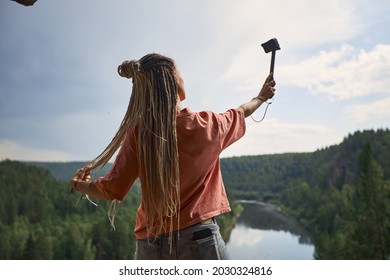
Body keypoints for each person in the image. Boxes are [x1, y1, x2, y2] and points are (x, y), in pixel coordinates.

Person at [70, 53, 276, 260]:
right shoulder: (206, 126)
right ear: (175, 80)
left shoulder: (138, 134)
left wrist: (79, 185)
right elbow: (241, 111)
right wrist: (261, 97)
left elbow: (112, 189)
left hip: (151, 245)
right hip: (200, 241)